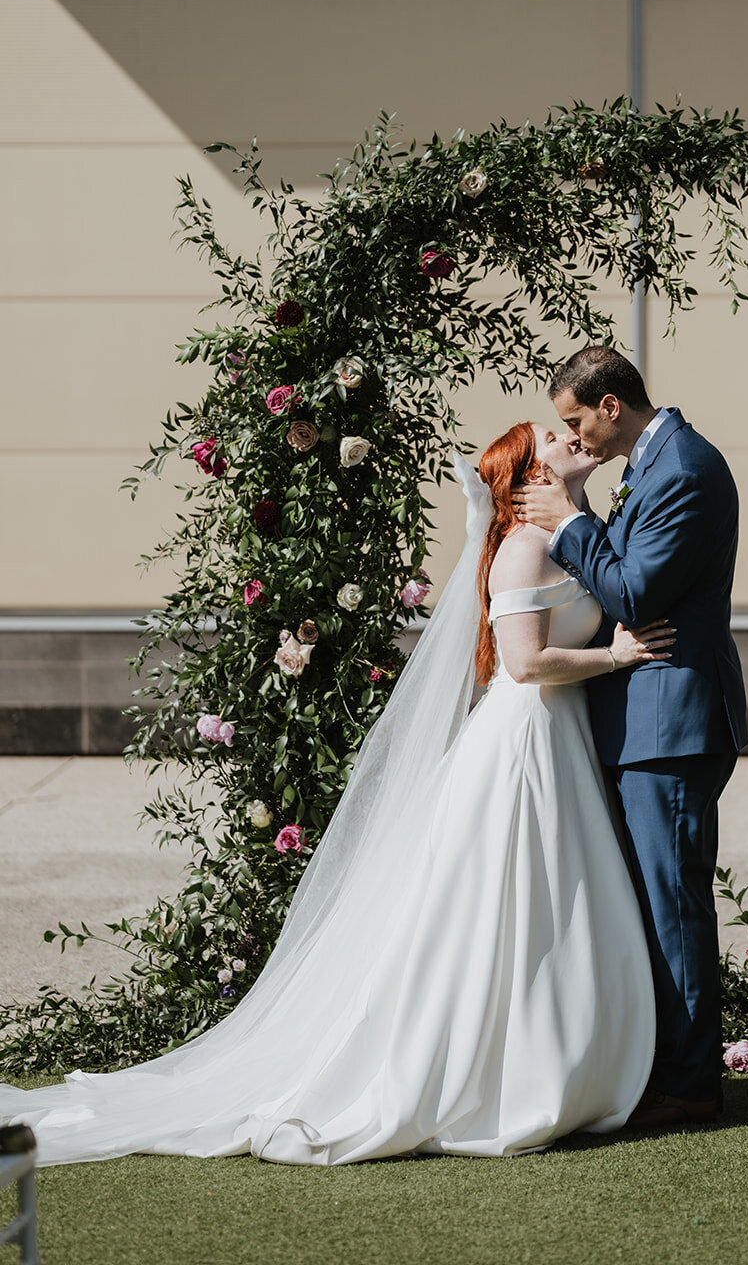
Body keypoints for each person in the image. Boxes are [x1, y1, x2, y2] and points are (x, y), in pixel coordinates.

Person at [0, 424, 670, 1166]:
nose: (570, 436)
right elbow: (520, 661)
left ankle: (558, 1054)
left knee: (549, 902)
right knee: (498, 902)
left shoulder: (576, 535)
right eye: (552, 435)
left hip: (561, 738)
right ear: (527, 476)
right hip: (525, 743)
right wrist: (612, 654)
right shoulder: (523, 548)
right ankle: (497, 1071)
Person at [516, 346, 747, 1128]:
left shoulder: (682, 468)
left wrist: (574, 525)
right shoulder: (653, 466)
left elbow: (635, 591)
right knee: (653, 902)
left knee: (673, 903)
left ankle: (689, 1084)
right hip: (645, 721)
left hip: (670, 724)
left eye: (574, 417)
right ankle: (659, 1065)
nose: (572, 435)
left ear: (610, 404)